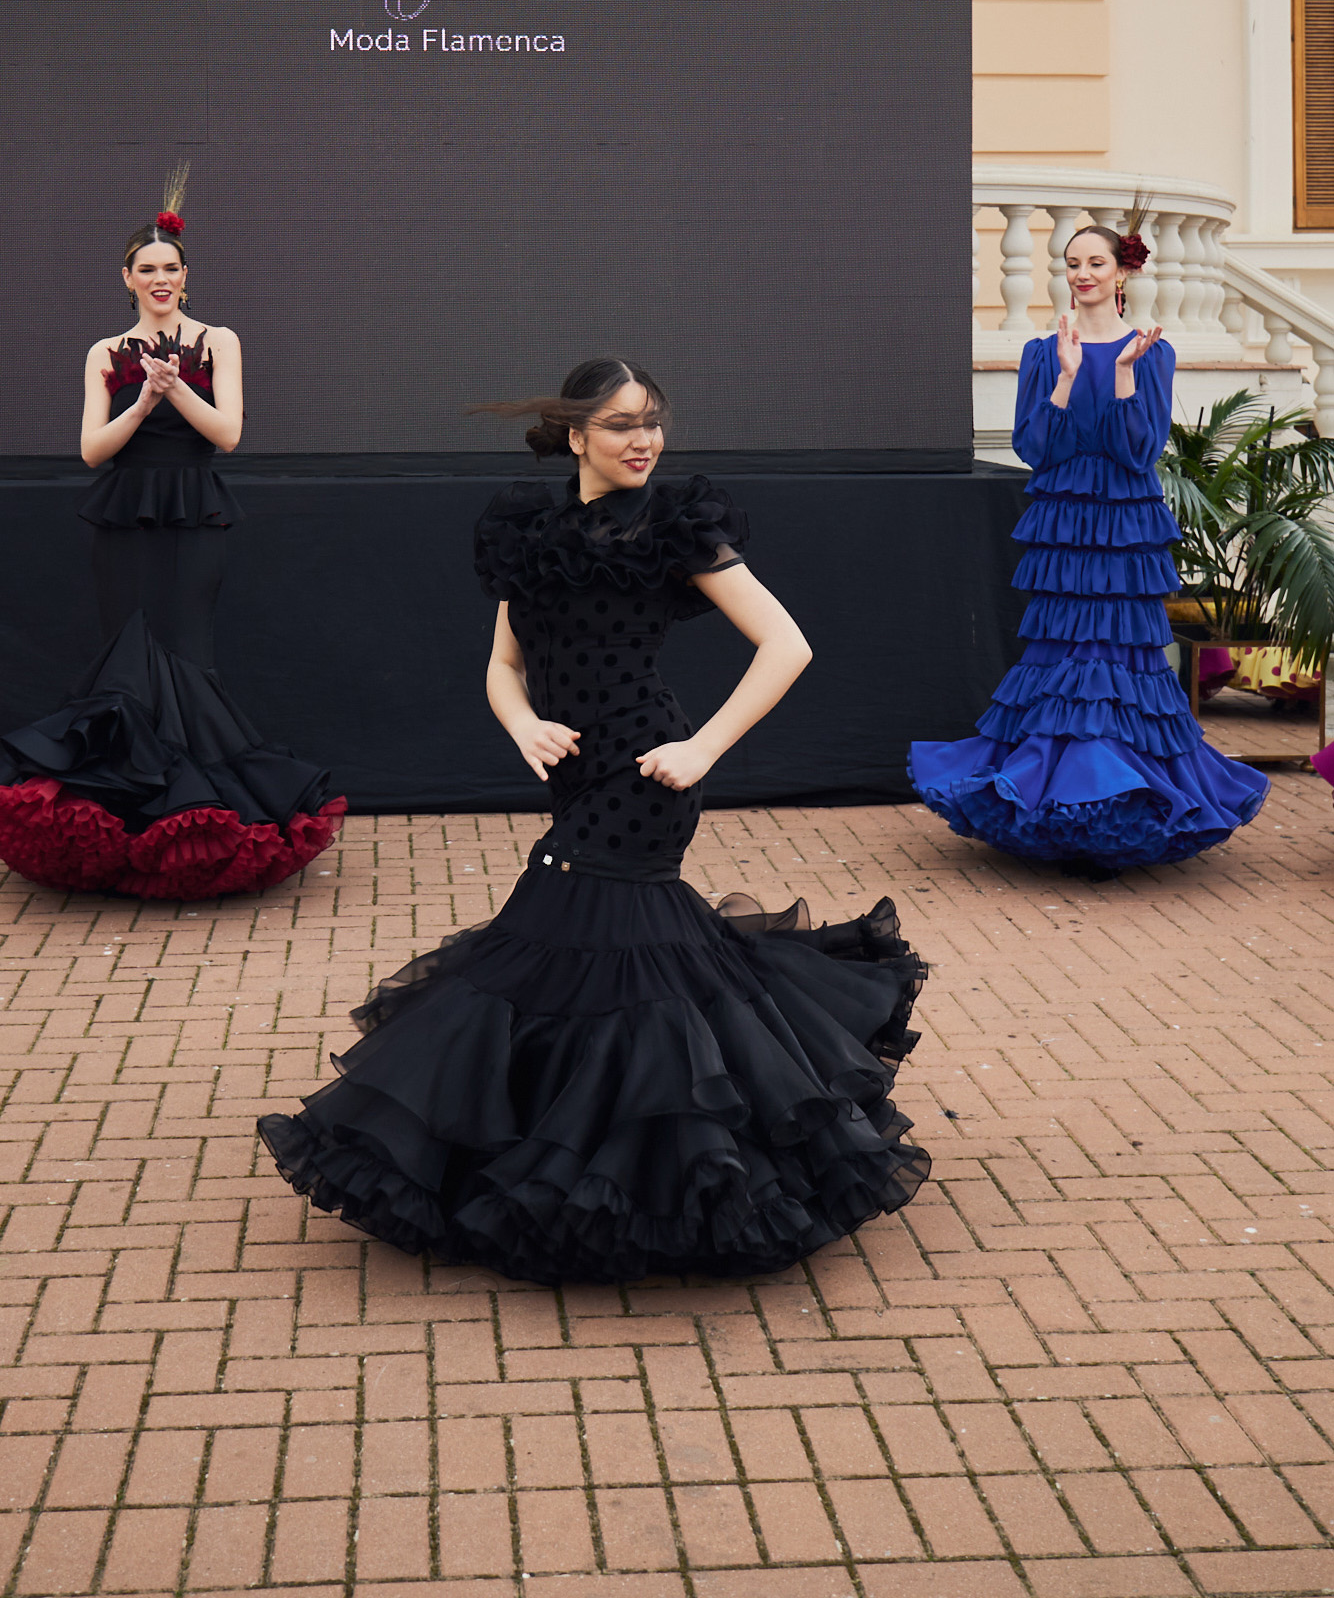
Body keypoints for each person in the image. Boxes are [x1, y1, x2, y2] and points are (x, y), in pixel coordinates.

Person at [259, 357, 929, 1285]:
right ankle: (617, 1154)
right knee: (610, 955)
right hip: (574, 778)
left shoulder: (676, 530)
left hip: (647, 777)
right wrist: (522, 722)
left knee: (569, 939)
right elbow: (502, 665)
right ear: (576, 435)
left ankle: (640, 1175)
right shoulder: (530, 533)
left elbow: (788, 645)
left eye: (652, 420)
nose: (643, 439)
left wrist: (702, 751)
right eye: (619, 424)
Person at [0, 170, 344, 899]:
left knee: (185, 654)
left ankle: (199, 817)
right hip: (122, 516)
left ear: (187, 277)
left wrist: (177, 385)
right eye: (147, 270)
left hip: (194, 512)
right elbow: (94, 450)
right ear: (126, 278)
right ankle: (128, 822)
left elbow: (227, 435)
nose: (161, 280)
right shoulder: (105, 351)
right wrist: (142, 397)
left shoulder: (218, 341)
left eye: (171, 270)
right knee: (126, 657)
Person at [910, 224, 1269, 870]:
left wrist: (1125, 372)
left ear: (1120, 272)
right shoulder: (1044, 351)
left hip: (1126, 523)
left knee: (1122, 656)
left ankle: (1120, 795)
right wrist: (1068, 376)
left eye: (1094, 262)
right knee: (1064, 652)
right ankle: (1053, 796)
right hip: (1064, 525)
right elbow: (1034, 448)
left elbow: (1138, 451)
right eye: (1072, 262)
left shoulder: (1152, 352)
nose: (1081, 273)